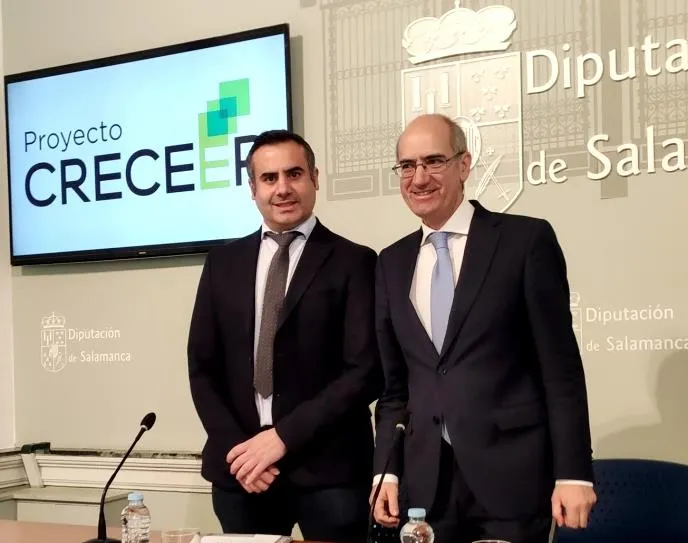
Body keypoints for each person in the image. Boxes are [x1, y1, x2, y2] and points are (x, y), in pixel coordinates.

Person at [370, 114, 597, 543]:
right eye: (407, 166)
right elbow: (395, 388)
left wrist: (573, 473)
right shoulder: (390, 262)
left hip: (512, 478)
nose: (419, 178)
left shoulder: (524, 241)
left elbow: (561, 370)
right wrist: (389, 470)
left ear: (464, 164)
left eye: (434, 161)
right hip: (425, 486)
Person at [187, 129, 381, 542]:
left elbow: (363, 371)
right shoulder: (221, 263)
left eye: (294, 174)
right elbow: (202, 368)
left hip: (330, 474)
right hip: (243, 475)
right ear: (253, 188)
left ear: (315, 178)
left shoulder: (355, 261)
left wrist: (280, 439)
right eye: (269, 178)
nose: (283, 188)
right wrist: (240, 451)